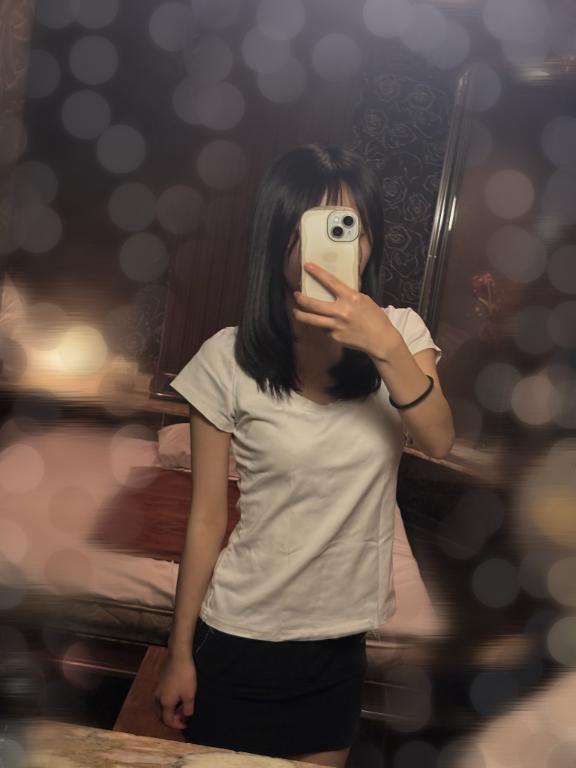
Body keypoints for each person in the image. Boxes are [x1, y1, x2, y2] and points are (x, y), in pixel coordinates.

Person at [154, 144, 454, 767]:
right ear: (278, 239)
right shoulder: (226, 358)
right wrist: (179, 652)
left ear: (370, 242)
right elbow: (206, 519)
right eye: (316, 227)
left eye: (352, 228)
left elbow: (438, 439)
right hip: (239, 637)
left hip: (339, 650)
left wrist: (382, 344)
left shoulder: (402, 334)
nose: (339, 245)